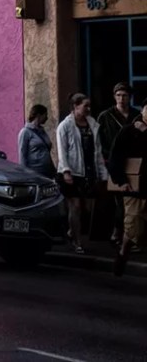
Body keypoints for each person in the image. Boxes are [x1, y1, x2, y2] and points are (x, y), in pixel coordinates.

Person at [57, 92, 108, 253]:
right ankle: (77, 241)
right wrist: (66, 171)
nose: (88, 108)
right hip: (72, 172)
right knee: (75, 206)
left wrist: (103, 173)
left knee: (88, 207)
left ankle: (72, 230)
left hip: (89, 171)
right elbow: (62, 151)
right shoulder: (65, 126)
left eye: (89, 105)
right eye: (85, 105)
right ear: (75, 106)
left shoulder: (92, 125)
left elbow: (97, 151)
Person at [109, 104, 147, 276]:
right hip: (135, 188)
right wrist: (121, 181)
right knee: (133, 228)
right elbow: (115, 156)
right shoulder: (128, 131)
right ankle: (123, 252)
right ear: (143, 110)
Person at [99, 83, 137, 245]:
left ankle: (129, 234)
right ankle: (117, 231)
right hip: (112, 161)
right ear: (114, 97)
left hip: (134, 161)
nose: (122, 98)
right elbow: (99, 140)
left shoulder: (136, 115)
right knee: (119, 198)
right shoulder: (106, 116)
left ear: (129, 97)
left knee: (132, 198)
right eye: (119, 95)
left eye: (125, 95)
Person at [18, 104, 55, 178]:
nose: (47, 118)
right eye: (45, 115)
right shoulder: (25, 132)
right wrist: (25, 173)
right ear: (39, 115)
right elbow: (22, 154)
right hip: (34, 171)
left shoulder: (42, 131)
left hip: (47, 171)